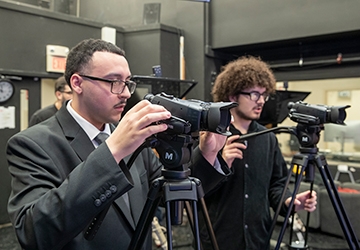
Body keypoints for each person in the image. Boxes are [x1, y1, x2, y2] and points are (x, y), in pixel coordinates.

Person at [6, 38, 230, 250]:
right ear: (77, 83)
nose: (124, 93)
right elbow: (33, 232)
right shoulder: (32, 144)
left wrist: (207, 154)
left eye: (127, 83)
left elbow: (167, 199)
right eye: (114, 82)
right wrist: (112, 150)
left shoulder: (135, 138)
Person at [198, 56, 318, 250]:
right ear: (232, 96)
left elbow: (277, 183)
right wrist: (218, 164)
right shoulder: (210, 138)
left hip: (258, 238)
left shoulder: (268, 138)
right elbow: (196, 189)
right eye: (254, 94)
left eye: (264, 95)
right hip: (218, 238)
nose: (261, 101)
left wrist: (290, 200)